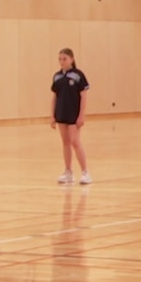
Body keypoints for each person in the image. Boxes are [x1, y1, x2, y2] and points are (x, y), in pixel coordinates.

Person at [51, 48, 92, 185]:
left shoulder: (78, 75)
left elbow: (83, 96)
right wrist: (52, 115)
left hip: (73, 114)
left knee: (75, 141)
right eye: (60, 59)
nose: (62, 62)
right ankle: (68, 172)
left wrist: (81, 115)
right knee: (65, 142)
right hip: (61, 113)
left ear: (71, 59)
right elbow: (54, 97)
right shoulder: (57, 77)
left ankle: (85, 172)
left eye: (64, 59)